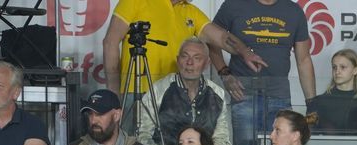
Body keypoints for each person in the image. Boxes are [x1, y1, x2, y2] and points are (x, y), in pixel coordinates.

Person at [211, 0, 317, 145]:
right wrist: (225, 73)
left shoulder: (294, 11)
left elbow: (304, 60)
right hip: (244, 93)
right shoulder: (233, 5)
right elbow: (211, 41)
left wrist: (312, 103)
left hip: (279, 94)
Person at [100, 0, 263, 96]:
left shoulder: (191, 11)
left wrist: (244, 51)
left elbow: (221, 37)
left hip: (175, 95)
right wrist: (113, 93)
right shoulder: (135, 1)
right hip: (136, 92)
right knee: (135, 144)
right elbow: (110, 43)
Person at [138, 37, 233, 145]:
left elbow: (223, 139)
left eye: (197, 58)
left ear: (207, 63)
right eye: (185, 56)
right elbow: (142, 135)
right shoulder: (158, 90)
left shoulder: (218, 94)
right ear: (178, 60)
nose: (189, 63)